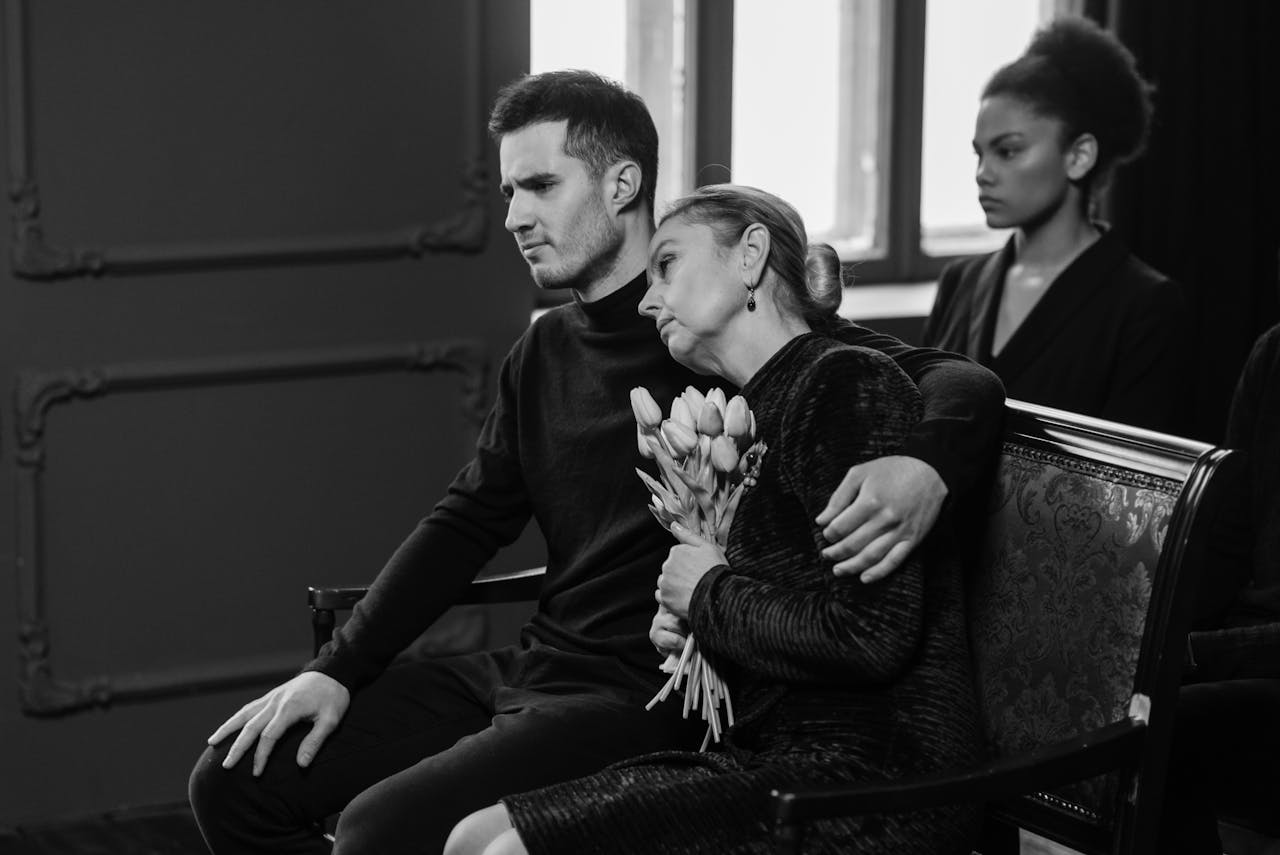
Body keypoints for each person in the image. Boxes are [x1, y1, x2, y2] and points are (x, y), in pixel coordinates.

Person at [188, 71, 1005, 854]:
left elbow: (949, 377)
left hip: (639, 694)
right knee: (232, 784)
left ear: (622, 185)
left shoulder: (712, 326)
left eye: (540, 186)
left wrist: (926, 465)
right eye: (508, 191)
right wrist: (336, 670)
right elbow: (467, 517)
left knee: (376, 831)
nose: (512, 215)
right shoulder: (545, 346)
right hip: (533, 666)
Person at [446, 184, 983, 855]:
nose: (645, 298)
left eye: (666, 264)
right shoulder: (753, 411)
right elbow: (793, 614)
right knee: (472, 837)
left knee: (505, 852)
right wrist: (700, 635)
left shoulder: (847, 383)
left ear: (751, 255)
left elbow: (871, 636)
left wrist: (707, 593)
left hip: (873, 775)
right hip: (768, 757)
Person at [923, 16, 1189, 434]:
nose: (983, 173)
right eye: (979, 154)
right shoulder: (961, 282)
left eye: (1008, 151)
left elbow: (1127, 480)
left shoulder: (1144, 306)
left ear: (1079, 156)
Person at [1157, 322, 1280, 853]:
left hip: (1262, 647)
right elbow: (1228, 534)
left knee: (1165, 724)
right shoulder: (1274, 350)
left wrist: (1188, 652)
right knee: (1129, 694)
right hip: (1251, 630)